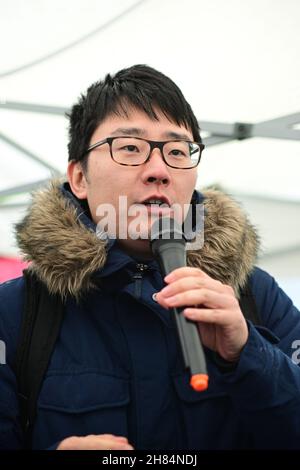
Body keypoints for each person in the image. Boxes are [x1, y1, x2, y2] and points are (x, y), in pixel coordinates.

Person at [0, 64, 300, 451]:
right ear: (79, 178)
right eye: (129, 148)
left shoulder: (253, 295)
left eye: (177, 151)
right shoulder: (15, 314)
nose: (159, 170)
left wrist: (247, 353)